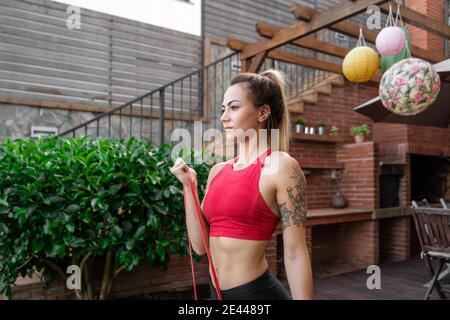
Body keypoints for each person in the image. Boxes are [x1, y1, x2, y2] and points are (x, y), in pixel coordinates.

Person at [170, 69, 313, 300]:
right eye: (223, 109)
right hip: (215, 294)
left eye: (234, 107)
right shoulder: (217, 171)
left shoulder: (280, 166)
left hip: (256, 295)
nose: (223, 117)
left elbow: (295, 252)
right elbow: (199, 246)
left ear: (262, 112)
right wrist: (189, 189)